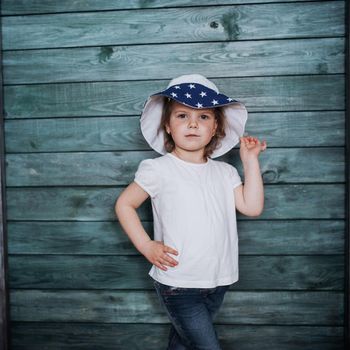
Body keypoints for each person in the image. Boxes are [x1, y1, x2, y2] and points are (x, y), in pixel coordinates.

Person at [115, 74, 267, 349]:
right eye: (182, 116)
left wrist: (250, 161)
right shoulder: (158, 169)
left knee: (184, 343)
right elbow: (125, 204)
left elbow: (252, 207)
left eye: (204, 117)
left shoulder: (226, 171)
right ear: (168, 127)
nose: (193, 123)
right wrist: (146, 245)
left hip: (219, 279)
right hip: (179, 282)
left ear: (216, 127)